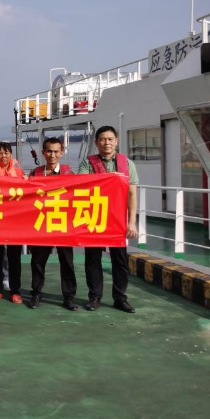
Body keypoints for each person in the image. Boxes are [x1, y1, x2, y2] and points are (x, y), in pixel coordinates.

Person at [78, 125, 138, 313]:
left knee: (120, 261)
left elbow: (132, 194)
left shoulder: (127, 164)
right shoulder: (87, 164)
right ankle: (94, 297)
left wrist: (131, 222)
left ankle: (120, 298)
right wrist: (110, 178)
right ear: (96, 142)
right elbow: (82, 186)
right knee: (92, 259)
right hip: (94, 217)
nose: (107, 143)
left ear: (116, 141)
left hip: (117, 220)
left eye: (110, 139)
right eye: (102, 139)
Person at [27, 137, 78, 310]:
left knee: (67, 262)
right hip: (42, 224)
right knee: (38, 261)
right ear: (43, 153)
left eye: (56, 151)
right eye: (49, 151)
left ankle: (69, 297)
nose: (52, 155)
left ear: (62, 152)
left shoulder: (70, 173)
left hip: (63, 224)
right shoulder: (35, 173)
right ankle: (36, 294)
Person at [0, 141, 25, 304]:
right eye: (0, 153)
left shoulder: (19, 171)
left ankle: (15, 291)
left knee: (14, 256)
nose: (3, 156)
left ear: (11, 154)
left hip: (15, 220)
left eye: (6, 152)